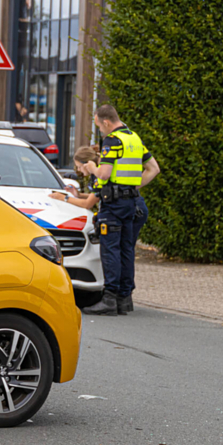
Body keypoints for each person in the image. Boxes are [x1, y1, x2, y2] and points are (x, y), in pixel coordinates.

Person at [56, 105, 160, 316]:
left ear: (105, 121)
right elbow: (154, 169)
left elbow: (103, 174)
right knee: (126, 250)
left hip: (113, 205)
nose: (100, 131)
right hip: (129, 203)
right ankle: (124, 298)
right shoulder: (134, 139)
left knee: (110, 250)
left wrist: (91, 168)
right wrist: (131, 186)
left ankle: (109, 299)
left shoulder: (113, 140)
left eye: (99, 126)